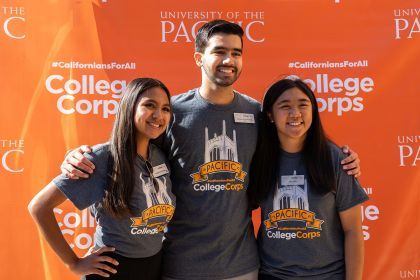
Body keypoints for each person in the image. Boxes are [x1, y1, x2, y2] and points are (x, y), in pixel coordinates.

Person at [60, 21, 361, 280]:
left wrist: (342, 158)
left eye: (236, 53)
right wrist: (79, 156)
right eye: (219, 51)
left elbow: (297, 141)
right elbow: (130, 147)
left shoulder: (257, 114)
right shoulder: (170, 113)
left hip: (242, 265)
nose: (228, 60)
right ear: (198, 57)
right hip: (180, 265)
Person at [28, 78, 176, 280]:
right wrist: (74, 263)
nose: (158, 115)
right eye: (149, 105)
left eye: (165, 108)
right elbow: (39, 206)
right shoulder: (101, 158)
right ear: (129, 107)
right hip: (111, 270)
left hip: (153, 268)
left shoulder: (161, 155)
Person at [248, 77, 368, 280]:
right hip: (272, 275)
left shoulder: (336, 159)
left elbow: (353, 230)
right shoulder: (257, 159)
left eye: (303, 105)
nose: (295, 114)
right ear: (270, 114)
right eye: (285, 106)